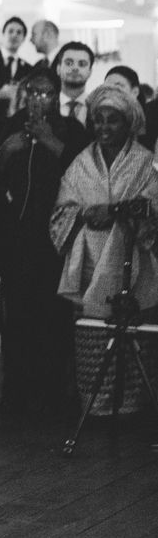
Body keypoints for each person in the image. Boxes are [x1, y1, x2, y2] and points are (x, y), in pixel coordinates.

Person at [50, 85, 158, 415]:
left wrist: (114, 211)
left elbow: (152, 204)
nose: (104, 128)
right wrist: (82, 213)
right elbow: (60, 212)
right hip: (90, 263)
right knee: (93, 340)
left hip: (133, 265)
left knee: (134, 337)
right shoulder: (81, 163)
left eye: (113, 121)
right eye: (99, 120)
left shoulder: (145, 162)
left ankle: (129, 405)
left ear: (128, 124)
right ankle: (95, 406)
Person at [0, 68, 89, 417]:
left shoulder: (70, 128)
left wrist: (51, 141)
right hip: (17, 233)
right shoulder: (12, 125)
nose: (39, 99)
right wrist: (8, 149)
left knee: (52, 315)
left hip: (56, 237)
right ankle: (16, 390)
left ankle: (51, 392)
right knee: (16, 315)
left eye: (47, 93)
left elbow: (82, 172)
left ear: (56, 95)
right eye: (33, 91)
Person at [54, 41, 94, 128]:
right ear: (58, 69)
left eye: (82, 64)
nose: (75, 68)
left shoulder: (96, 106)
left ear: (90, 72)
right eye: (69, 63)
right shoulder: (48, 105)